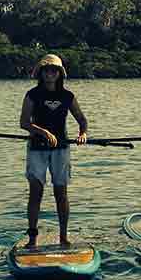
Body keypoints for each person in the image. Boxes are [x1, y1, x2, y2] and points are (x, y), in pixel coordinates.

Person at [20, 54, 88, 248]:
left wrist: (82, 133)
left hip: (61, 150)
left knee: (61, 193)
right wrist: (42, 131)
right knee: (36, 192)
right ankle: (32, 237)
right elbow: (24, 123)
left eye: (54, 71)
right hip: (37, 149)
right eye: (47, 70)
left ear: (60, 74)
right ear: (41, 73)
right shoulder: (32, 95)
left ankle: (63, 236)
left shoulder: (68, 96)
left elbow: (82, 120)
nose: (50, 74)